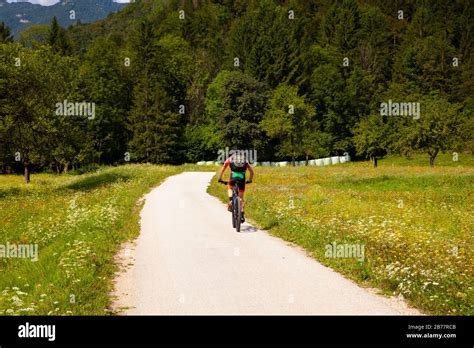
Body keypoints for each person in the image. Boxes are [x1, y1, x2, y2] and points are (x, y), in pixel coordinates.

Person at [218, 151, 254, 223]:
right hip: (242, 178)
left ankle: (231, 200)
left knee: (230, 187)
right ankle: (242, 214)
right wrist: (250, 180)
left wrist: (220, 179)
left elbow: (222, 169)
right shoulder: (245, 159)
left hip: (233, 177)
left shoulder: (229, 159)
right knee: (241, 198)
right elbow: (251, 171)